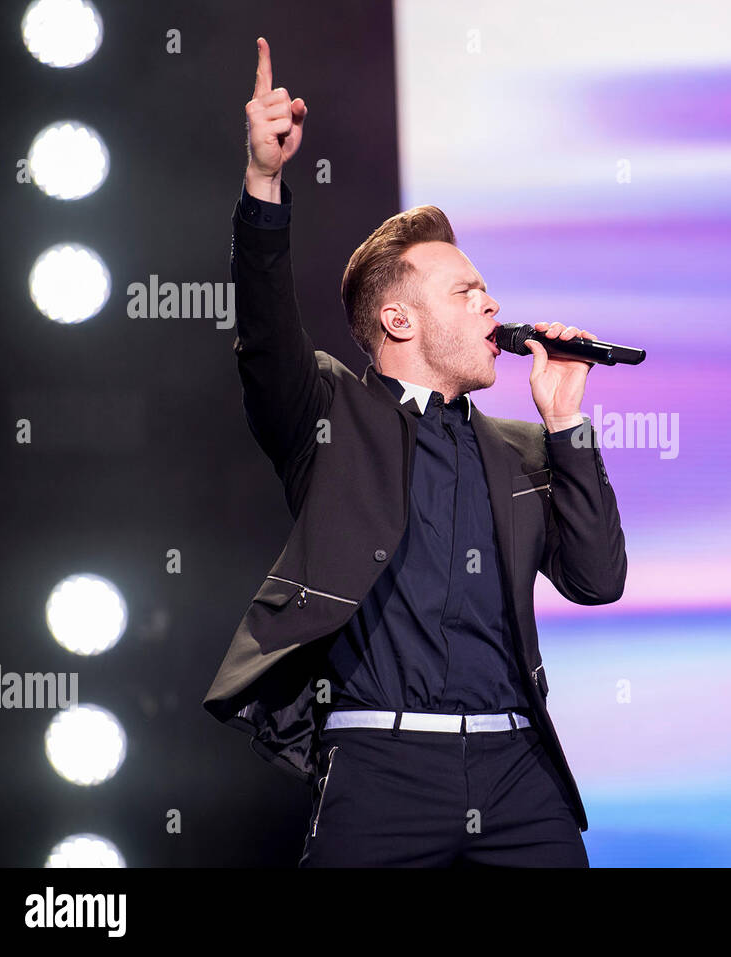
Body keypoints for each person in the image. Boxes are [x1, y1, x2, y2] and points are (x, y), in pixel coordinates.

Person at [202, 37, 628, 867]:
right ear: (400, 320)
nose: (492, 304)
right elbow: (263, 335)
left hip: (517, 770)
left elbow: (598, 578)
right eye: (467, 291)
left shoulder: (522, 449)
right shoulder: (332, 413)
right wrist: (263, 183)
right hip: (381, 769)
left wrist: (567, 424)